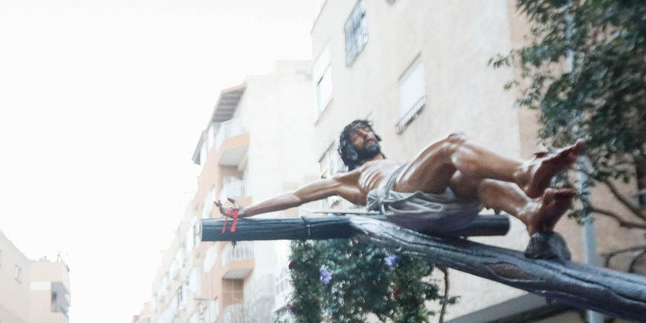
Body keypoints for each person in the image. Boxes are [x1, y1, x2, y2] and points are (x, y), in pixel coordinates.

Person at [219, 121, 580, 238]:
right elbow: (296, 196)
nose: (367, 134)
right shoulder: (352, 177)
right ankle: (525, 173)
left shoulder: (403, 163)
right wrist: (245, 213)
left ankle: (531, 212)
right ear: (348, 148)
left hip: (443, 204)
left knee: (471, 175)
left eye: (368, 129)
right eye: (358, 134)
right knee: (452, 144)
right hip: (401, 202)